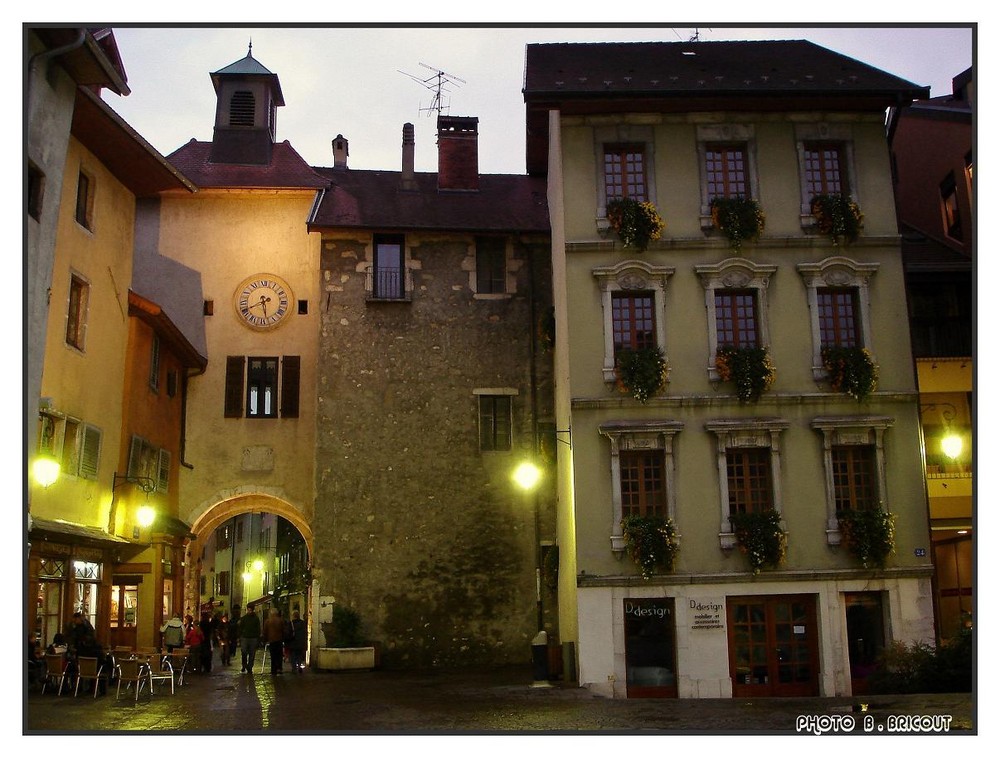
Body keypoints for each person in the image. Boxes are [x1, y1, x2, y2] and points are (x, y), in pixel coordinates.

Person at [237, 605, 261, 674]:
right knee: (244, 652)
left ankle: (250, 667)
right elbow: (240, 628)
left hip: (253, 638)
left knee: (252, 653)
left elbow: (258, 628)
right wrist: (240, 635)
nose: (249, 611)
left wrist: (257, 637)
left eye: (250, 610)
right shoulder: (244, 618)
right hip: (245, 637)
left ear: (252, 610)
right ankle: (244, 665)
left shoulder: (256, 618)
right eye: (248, 610)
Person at [263, 608, 285, 674]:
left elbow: (265, 631)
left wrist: (265, 639)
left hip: (271, 640)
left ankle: (273, 669)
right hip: (279, 639)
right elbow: (283, 629)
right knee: (279, 655)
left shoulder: (268, 621)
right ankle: (279, 668)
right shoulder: (280, 620)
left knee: (273, 655)